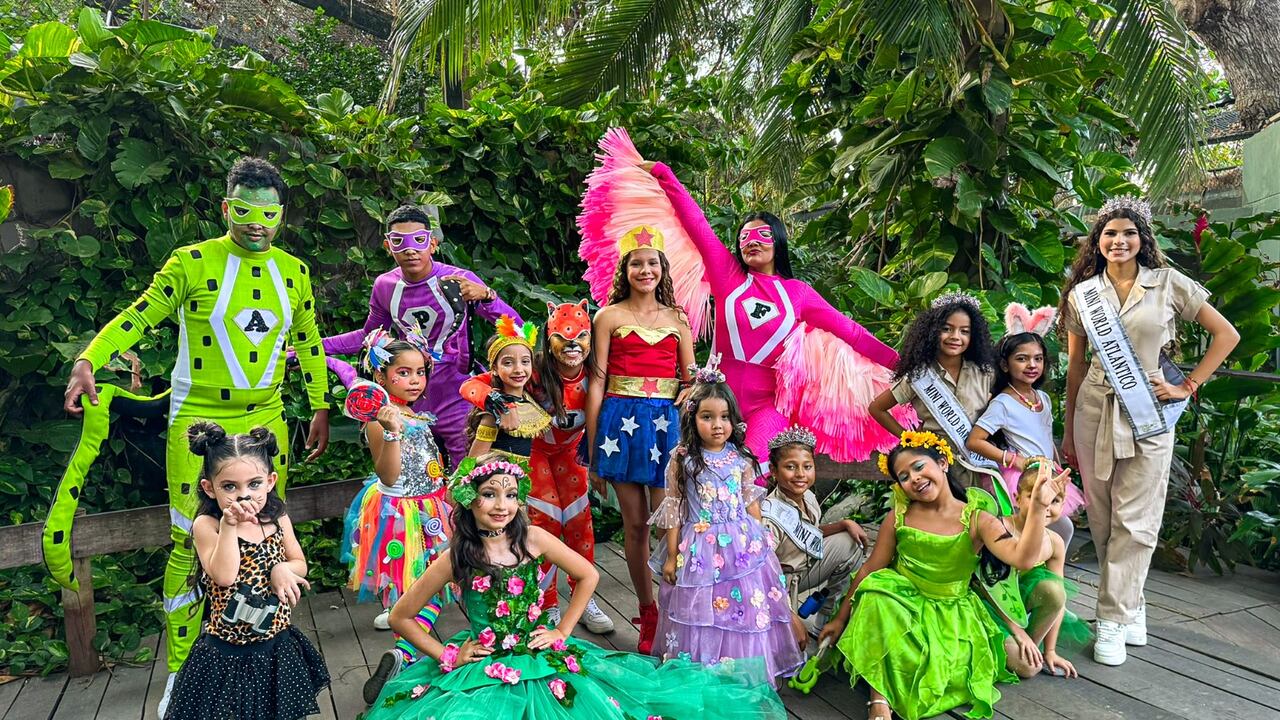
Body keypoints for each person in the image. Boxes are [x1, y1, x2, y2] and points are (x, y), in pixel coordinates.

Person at [60, 157, 331, 715]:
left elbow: (309, 341)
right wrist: (90, 358)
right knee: (190, 543)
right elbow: (142, 314)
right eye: (244, 209)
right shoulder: (191, 262)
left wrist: (323, 404)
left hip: (268, 420)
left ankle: (268, 660)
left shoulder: (295, 271)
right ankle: (183, 672)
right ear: (226, 206)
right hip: (197, 423)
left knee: (271, 536)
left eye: (269, 212)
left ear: (282, 216)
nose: (257, 222)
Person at [362, 454, 788, 719]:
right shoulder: (456, 555)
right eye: (489, 494)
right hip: (485, 662)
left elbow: (589, 575)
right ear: (469, 499)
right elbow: (401, 615)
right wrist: (448, 654)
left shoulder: (532, 539)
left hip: (544, 651)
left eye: (510, 495)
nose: (501, 505)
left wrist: (563, 629)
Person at [1059, 196, 1239, 666]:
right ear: (1097, 243)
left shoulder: (1168, 284)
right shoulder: (1083, 294)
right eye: (1109, 234)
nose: (1119, 241)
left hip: (1149, 413)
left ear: (1142, 240)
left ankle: (1112, 621)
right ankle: (1131, 604)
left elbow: (1227, 334)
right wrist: (1067, 429)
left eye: (1128, 233)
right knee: (1102, 518)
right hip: (1094, 410)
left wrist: (1190, 385)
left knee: (1136, 519)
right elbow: (1075, 366)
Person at [637, 146, 898, 465]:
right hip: (718, 398)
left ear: (778, 242)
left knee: (751, 471)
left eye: (762, 235)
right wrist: (665, 175)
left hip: (769, 406)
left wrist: (902, 363)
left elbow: (852, 333)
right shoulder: (728, 277)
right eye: (744, 237)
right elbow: (698, 225)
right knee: (706, 474)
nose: (752, 242)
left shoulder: (798, 293)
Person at [818, 431, 1067, 720]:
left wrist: (1037, 508)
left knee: (1025, 666)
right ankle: (879, 699)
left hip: (952, 617)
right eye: (904, 476)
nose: (914, 478)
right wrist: (839, 618)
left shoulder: (978, 518)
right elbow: (869, 568)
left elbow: (1022, 557)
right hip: (901, 606)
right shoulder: (899, 517)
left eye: (919, 467)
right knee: (876, 593)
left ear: (943, 464)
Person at [321, 204, 521, 466]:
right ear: (387, 246)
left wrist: (487, 296)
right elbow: (369, 335)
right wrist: (314, 346)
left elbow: (514, 328)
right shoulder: (385, 286)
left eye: (418, 240)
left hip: (458, 391)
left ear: (433, 244)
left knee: (467, 472)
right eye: (399, 241)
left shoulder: (459, 279)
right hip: (410, 393)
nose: (410, 249)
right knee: (417, 473)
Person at [646, 358, 805, 685]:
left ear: (734, 420)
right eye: (707, 417)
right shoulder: (682, 459)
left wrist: (762, 541)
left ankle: (739, 673)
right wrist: (673, 556)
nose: (717, 425)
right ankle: (703, 671)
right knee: (700, 611)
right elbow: (674, 508)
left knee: (741, 608)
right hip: (699, 547)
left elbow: (750, 502)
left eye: (724, 417)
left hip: (742, 547)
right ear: (693, 419)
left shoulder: (741, 457)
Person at [459, 301, 614, 634]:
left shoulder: (597, 373)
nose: (572, 347)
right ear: (549, 335)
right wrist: (494, 402)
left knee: (578, 521)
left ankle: (583, 598)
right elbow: (472, 386)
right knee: (544, 521)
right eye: (563, 338)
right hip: (537, 453)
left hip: (573, 452)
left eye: (581, 338)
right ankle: (548, 603)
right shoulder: (533, 369)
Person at [163, 422, 329, 720]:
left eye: (254, 484)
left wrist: (281, 568)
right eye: (230, 487)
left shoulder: (277, 519)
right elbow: (223, 575)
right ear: (209, 488)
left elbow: (299, 563)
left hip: (276, 648)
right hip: (228, 655)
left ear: (270, 481)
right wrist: (229, 526)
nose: (244, 495)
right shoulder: (208, 526)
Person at [583, 227, 695, 655]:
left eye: (652, 262)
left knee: (669, 521)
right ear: (625, 270)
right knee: (634, 524)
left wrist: (682, 398)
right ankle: (647, 612)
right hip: (619, 426)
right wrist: (593, 452)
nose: (644, 269)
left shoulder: (678, 319)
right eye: (636, 263)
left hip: (664, 428)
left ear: (662, 268)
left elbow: (691, 379)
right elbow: (597, 382)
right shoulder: (608, 316)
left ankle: (674, 611)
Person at [338, 329, 455, 704]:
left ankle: (402, 656)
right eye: (403, 373)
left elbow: (429, 465)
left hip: (432, 507)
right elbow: (388, 474)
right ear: (381, 376)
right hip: (402, 514)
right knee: (418, 589)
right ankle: (407, 659)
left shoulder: (415, 413)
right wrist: (391, 432)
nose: (415, 380)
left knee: (427, 587)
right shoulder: (380, 419)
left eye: (420, 372)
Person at [967, 304, 1085, 545]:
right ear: (1005, 365)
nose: (1032, 365)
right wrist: (1014, 461)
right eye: (1022, 359)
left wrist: (1056, 466)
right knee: (1039, 532)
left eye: (1038, 359)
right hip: (1021, 479)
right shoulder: (1003, 403)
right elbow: (975, 441)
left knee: (1055, 530)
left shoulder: (1041, 398)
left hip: (1045, 473)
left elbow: (1045, 435)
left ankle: (1039, 573)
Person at [868, 292, 1002, 497]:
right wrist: (910, 440)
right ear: (932, 332)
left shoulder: (984, 372)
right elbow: (877, 408)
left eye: (964, 331)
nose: (955, 337)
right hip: (939, 465)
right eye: (947, 329)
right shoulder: (919, 376)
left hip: (979, 464)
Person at [979, 458, 1089, 680]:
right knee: (1027, 669)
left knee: (1054, 590)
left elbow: (1058, 599)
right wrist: (1017, 632)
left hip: (1022, 607)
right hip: (991, 606)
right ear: (1017, 498)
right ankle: (1016, 644)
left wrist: (1050, 651)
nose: (1046, 505)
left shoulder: (1054, 542)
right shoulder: (998, 528)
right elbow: (986, 586)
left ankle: (1033, 647)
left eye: (1055, 500)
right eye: (1035, 496)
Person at [759, 425, 868, 635]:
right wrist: (789, 615)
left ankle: (826, 619)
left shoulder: (808, 496)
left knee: (851, 543)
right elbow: (762, 571)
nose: (800, 474)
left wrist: (844, 524)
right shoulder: (770, 515)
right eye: (791, 467)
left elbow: (813, 532)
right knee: (791, 650)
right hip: (781, 583)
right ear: (774, 471)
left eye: (807, 467)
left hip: (809, 566)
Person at [466, 317, 552, 462]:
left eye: (525, 361)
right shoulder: (496, 409)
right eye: (508, 363)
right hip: (497, 481)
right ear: (494, 369)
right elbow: (474, 462)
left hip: (522, 481)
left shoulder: (530, 398)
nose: (518, 369)